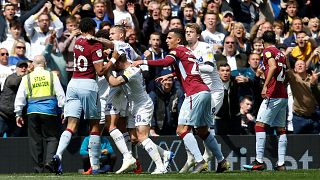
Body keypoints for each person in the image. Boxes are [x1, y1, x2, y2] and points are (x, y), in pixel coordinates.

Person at [133, 28, 230, 173]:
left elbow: (166, 61)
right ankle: (222, 161)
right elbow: (190, 69)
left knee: (182, 129)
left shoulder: (177, 51)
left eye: (169, 38)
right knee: (203, 130)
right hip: (204, 91)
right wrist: (172, 75)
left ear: (178, 40)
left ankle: (199, 160)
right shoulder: (188, 51)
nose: (166, 40)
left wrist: (143, 61)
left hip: (194, 93)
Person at [50, 17, 110, 175]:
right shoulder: (94, 44)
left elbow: (82, 43)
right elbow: (100, 71)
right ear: (92, 29)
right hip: (88, 84)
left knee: (71, 126)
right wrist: (112, 60)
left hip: (73, 83)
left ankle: (58, 155)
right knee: (95, 126)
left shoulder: (77, 41)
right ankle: (96, 166)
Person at [106, 51, 173, 174]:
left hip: (143, 105)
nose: (114, 67)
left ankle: (160, 167)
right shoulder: (127, 66)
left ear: (120, 62)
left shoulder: (132, 70)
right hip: (133, 106)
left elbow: (114, 83)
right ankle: (165, 153)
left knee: (143, 137)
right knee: (134, 139)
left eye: (115, 64)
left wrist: (106, 70)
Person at [180, 23, 225, 172]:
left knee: (201, 127)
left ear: (198, 35)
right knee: (197, 128)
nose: (188, 34)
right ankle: (216, 160)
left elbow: (210, 68)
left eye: (191, 32)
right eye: (186, 32)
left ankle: (205, 157)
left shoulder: (205, 47)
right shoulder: (185, 50)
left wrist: (193, 65)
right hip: (198, 92)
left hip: (214, 93)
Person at [243, 30, 288, 171]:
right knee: (281, 129)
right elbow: (285, 72)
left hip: (273, 94)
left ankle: (259, 161)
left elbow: (273, 66)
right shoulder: (282, 54)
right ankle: (281, 164)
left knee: (259, 125)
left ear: (263, 42)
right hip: (283, 95)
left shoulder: (267, 51)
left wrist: (266, 86)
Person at [14, 55, 65, 173]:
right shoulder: (52, 76)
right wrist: (63, 110)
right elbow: (60, 94)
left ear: (33, 64)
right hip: (49, 111)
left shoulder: (27, 78)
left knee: (35, 140)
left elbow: (20, 97)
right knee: (52, 137)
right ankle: (49, 161)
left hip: (32, 111)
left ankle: (38, 168)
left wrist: (18, 114)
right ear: (45, 63)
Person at [286, 60, 320, 134]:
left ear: (306, 67)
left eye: (302, 64)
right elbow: (288, 69)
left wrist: (314, 84)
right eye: (297, 64)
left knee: (315, 144)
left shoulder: (313, 78)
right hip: (299, 118)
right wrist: (286, 56)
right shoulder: (293, 79)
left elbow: (318, 97)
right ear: (295, 69)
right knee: (298, 143)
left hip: (314, 117)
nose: (300, 65)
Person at [0, 60, 28, 137]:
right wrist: (26, 75)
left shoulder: (27, 79)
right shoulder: (11, 77)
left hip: (16, 116)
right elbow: (15, 83)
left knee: (14, 141)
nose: (23, 68)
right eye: (21, 67)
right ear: (16, 69)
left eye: (25, 67)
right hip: (3, 114)